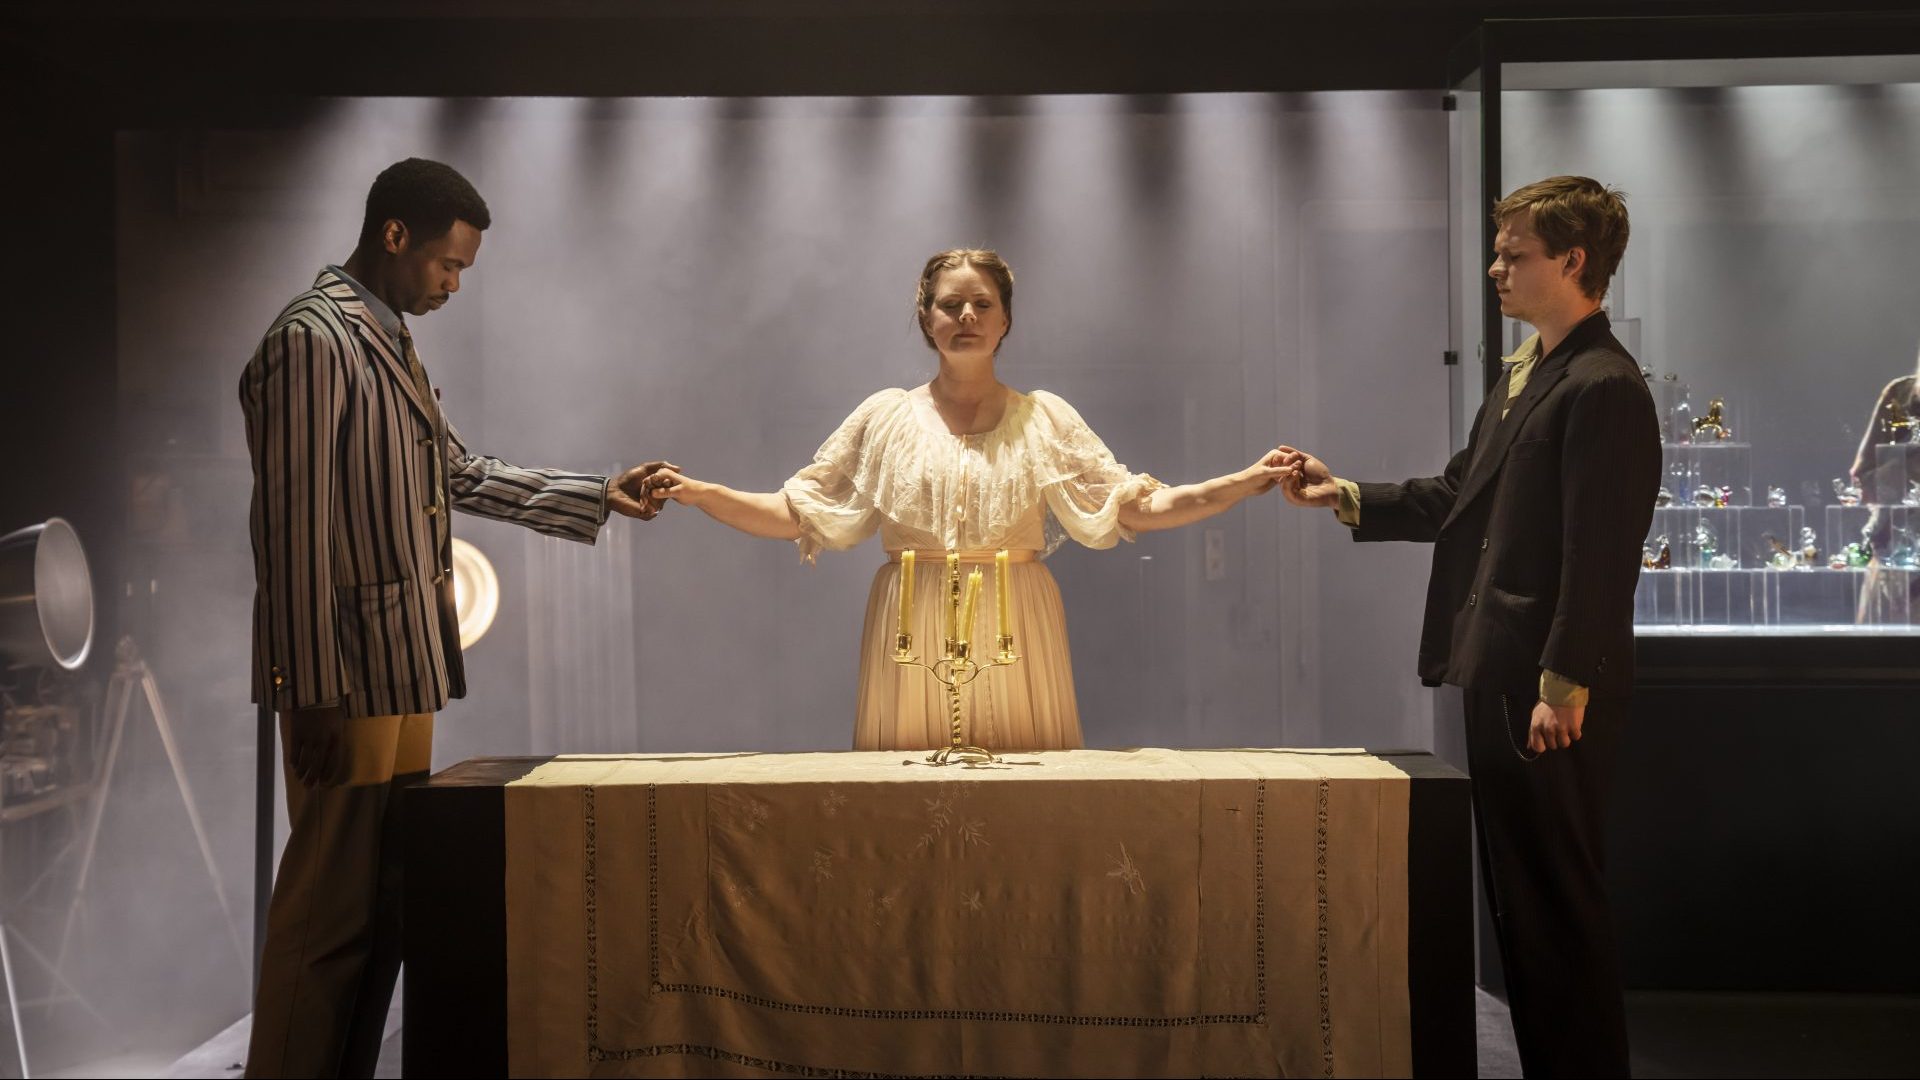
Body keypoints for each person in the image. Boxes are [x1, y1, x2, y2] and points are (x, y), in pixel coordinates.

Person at [239, 157, 670, 1078]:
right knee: (325, 916)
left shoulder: (386, 339)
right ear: (395, 236)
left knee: (381, 908)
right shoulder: (314, 339)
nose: (454, 284)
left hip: (403, 666)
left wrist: (599, 494)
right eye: (449, 264)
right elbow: (292, 529)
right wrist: (306, 691)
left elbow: (459, 474)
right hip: (345, 677)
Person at [1278, 176, 1659, 1077]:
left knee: (1554, 905)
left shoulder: (1602, 385)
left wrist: (1561, 686)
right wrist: (1346, 495)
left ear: (1571, 261)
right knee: (1526, 909)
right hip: (1504, 674)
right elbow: (1459, 495)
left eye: (1513, 253)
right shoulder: (1534, 372)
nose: (1495, 268)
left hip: (1544, 689)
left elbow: (1599, 558)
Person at [638, 248, 1291, 751]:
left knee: (1022, 796)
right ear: (927, 320)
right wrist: (700, 492)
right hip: (911, 618)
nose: (966, 317)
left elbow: (1135, 507)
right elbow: (793, 512)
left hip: (1017, 620)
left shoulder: (1045, 419)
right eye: (950, 306)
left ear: (1006, 318)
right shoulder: (885, 417)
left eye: (981, 304)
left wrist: (1241, 482)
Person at [1848, 351, 1920, 624]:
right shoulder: (1900, 395)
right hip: (1897, 562)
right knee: (1884, 660)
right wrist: (1907, 468)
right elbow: (1863, 477)